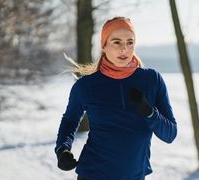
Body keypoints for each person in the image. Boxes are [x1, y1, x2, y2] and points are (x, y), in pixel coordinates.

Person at [55, 16, 177, 180]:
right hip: (92, 174)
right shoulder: (87, 85)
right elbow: (70, 120)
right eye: (117, 42)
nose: (124, 49)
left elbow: (170, 134)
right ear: (104, 45)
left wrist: (149, 112)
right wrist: (62, 150)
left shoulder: (152, 80)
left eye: (130, 42)